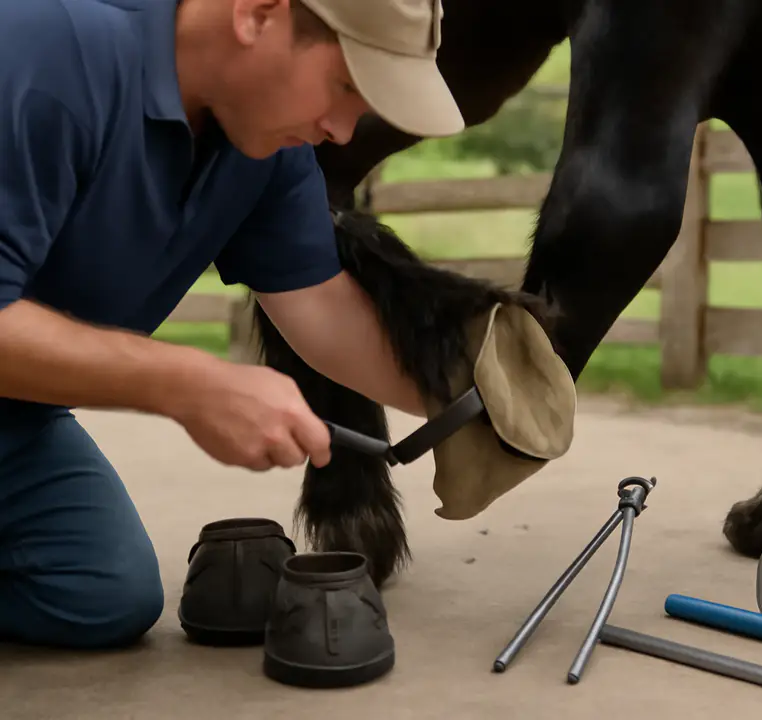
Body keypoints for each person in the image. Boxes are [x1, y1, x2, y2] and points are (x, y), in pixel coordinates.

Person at [0, 0, 465, 650]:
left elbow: (324, 309)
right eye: (346, 88)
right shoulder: (47, 47)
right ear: (258, 14)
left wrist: (474, 402)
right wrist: (187, 383)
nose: (341, 130)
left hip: (14, 414)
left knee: (102, 592)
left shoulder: (259, 139)